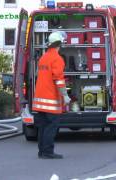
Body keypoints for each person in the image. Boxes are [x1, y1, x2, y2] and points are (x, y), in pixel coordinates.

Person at [32, 31, 70, 159]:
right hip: (51, 100)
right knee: (51, 127)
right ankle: (48, 152)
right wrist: (65, 95)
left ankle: (41, 151)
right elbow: (58, 79)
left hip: (40, 100)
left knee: (43, 127)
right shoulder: (57, 59)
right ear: (59, 43)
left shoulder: (44, 57)